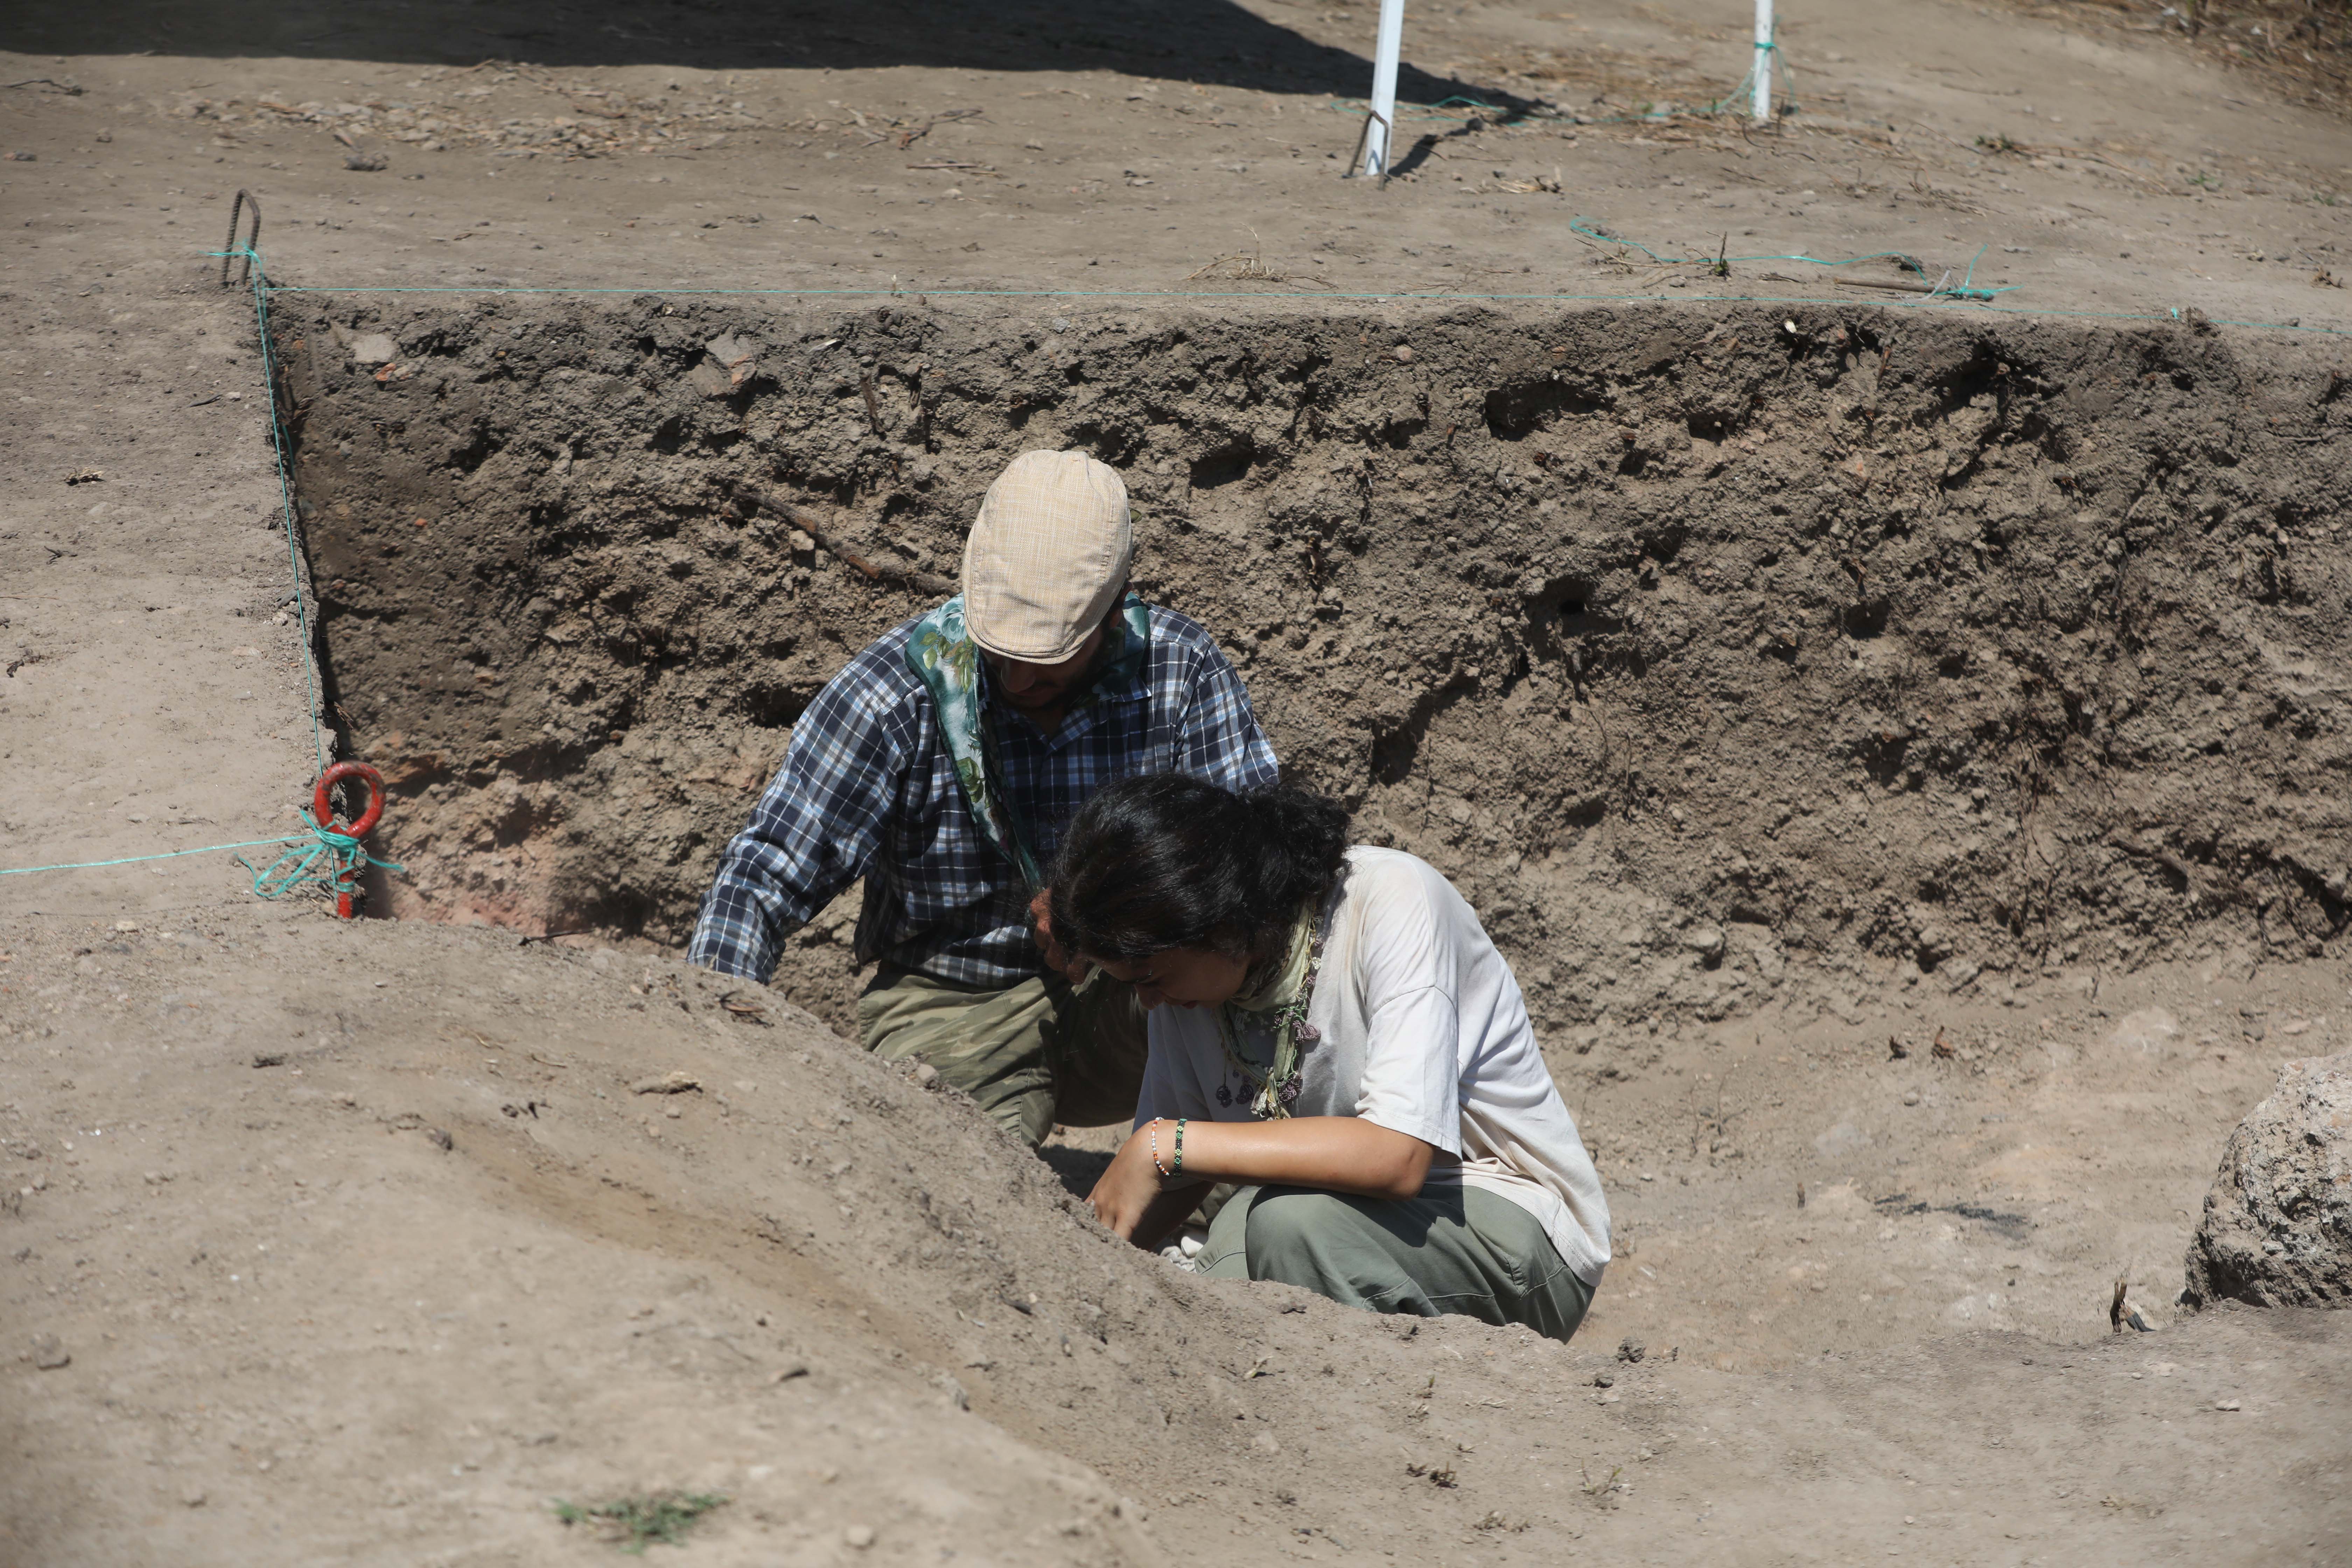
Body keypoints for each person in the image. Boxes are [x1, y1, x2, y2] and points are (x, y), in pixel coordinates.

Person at [689, 450, 1279, 1147]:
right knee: (952, 1168)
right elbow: (764, 875)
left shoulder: (1179, 673)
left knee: (1241, 1097)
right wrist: (711, 1048)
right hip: (951, 1000)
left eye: (1046, 655)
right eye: (1000, 648)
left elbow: (1254, 859)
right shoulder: (895, 695)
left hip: (1144, 987)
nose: (1018, 676)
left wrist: (1105, 908)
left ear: (1113, 615)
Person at [1045, 774, 1608, 1340]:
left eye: (1149, 977)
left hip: (1514, 1231)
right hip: (1345, 1223)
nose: (1145, 999)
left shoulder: (1393, 900)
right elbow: (1174, 1182)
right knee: (1214, 1277)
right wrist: (1090, 1263)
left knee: (1287, 1229)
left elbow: (1398, 1157)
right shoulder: (1184, 986)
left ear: (1221, 921)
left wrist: (1166, 1144)